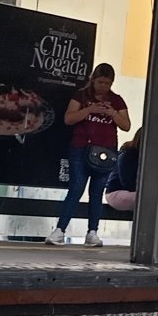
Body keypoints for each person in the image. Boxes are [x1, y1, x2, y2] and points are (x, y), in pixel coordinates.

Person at [52, 62, 130, 247]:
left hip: (105, 151)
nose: (103, 87)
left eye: (107, 83)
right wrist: (89, 110)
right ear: (93, 80)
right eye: (100, 82)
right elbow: (68, 118)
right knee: (76, 188)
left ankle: (92, 232)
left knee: (97, 192)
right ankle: (59, 230)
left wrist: (111, 113)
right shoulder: (81, 96)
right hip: (80, 148)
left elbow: (126, 125)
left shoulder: (116, 100)